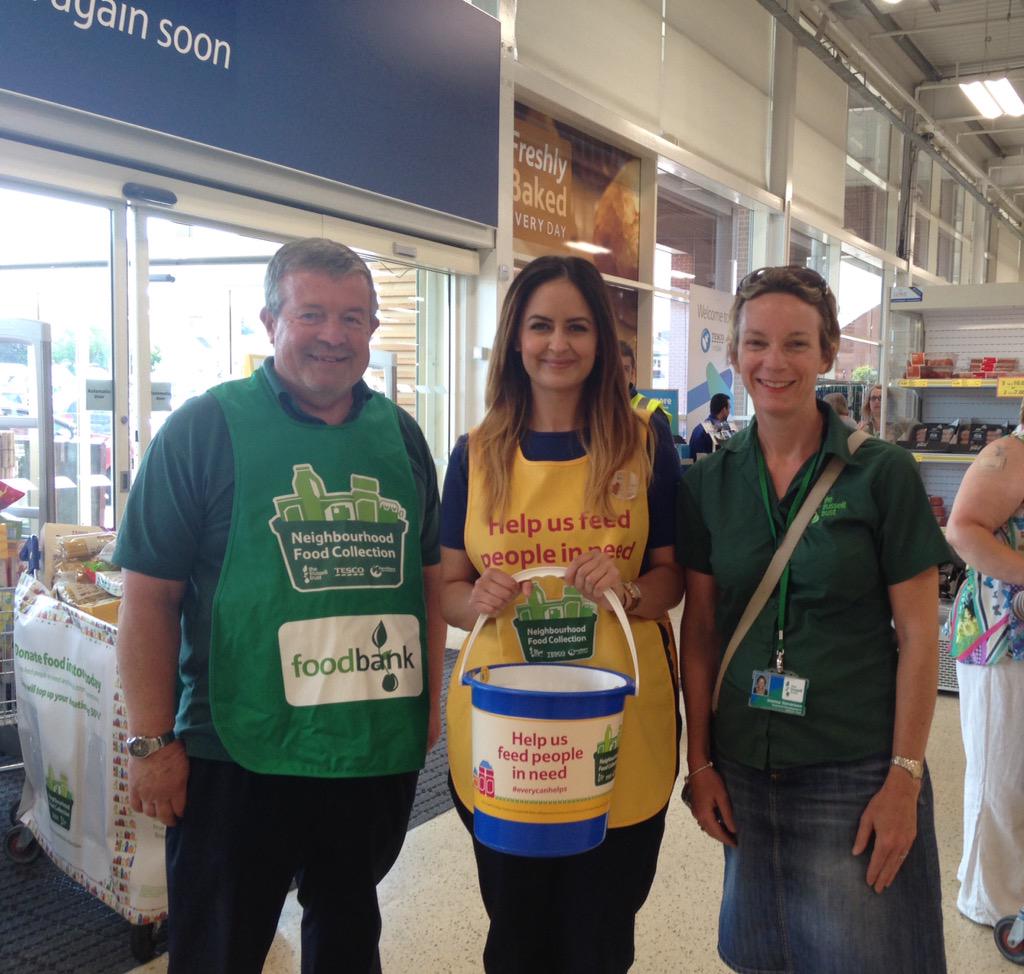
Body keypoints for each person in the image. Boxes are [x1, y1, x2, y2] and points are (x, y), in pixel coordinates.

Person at [114, 238, 445, 974]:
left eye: (353, 317)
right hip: (236, 752)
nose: (334, 335)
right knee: (219, 949)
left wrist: (429, 706)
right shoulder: (203, 430)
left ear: (372, 328)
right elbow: (149, 599)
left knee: (348, 938)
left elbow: (427, 581)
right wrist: (151, 743)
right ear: (271, 322)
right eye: (312, 314)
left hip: (368, 746)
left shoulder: (400, 436)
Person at [676, 265, 949, 974]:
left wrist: (904, 778)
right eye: (757, 343)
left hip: (854, 771)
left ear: (827, 353)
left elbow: (921, 636)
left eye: (796, 343)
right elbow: (699, 632)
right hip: (744, 769)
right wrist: (699, 762)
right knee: (764, 959)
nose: (775, 362)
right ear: (735, 353)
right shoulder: (709, 481)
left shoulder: (882, 474)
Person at [442, 256, 684, 973]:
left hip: (618, 729)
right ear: (515, 338)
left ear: (602, 340)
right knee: (516, 934)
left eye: (577, 327)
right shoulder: (475, 455)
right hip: (508, 735)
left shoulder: (645, 445)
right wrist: (476, 599)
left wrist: (629, 590)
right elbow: (448, 590)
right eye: (540, 325)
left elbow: (673, 580)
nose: (558, 343)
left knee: (600, 938)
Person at [945, 401, 1024, 928]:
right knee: (1001, 774)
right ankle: (991, 901)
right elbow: (962, 530)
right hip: (1000, 640)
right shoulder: (1010, 454)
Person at [619, 338, 674, 433]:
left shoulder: (653, 412)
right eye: (614, 367)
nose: (619, 375)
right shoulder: (595, 409)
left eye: (625, 369)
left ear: (633, 374)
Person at [688, 392, 735, 459]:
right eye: (729, 408)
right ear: (724, 410)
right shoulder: (720, 428)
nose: (729, 412)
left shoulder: (698, 428)